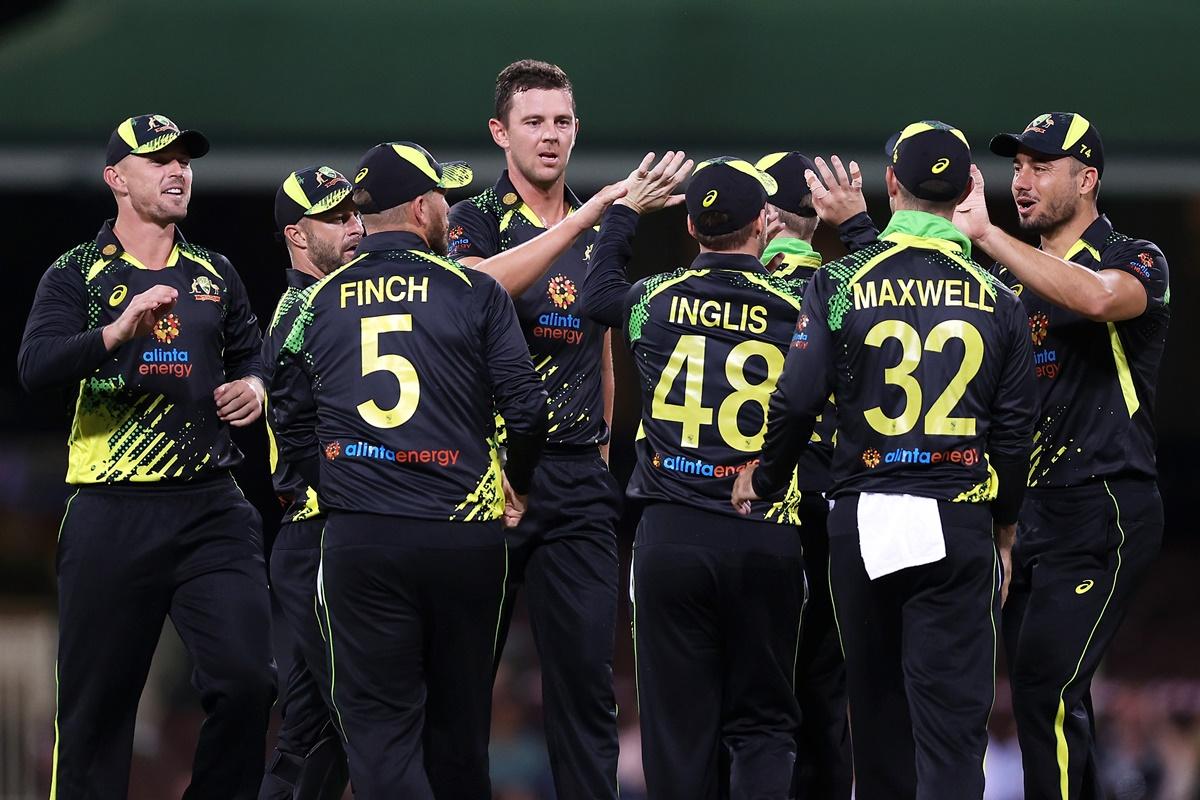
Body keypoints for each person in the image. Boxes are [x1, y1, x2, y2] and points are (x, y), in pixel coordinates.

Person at [733, 121, 1036, 800]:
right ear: (966, 191)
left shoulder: (839, 282)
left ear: (891, 184)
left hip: (865, 515)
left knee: (876, 718)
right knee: (955, 731)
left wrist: (769, 475)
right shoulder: (1001, 299)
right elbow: (1015, 437)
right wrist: (1006, 529)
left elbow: (799, 396)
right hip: (961, 516)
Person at [273, 141, 549, 799]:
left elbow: (288, 414)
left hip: (362, 537)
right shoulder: (474, 290)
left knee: (379, 741)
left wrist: (333, 487)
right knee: (459, 737)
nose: (451, 211)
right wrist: (518, 479)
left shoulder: (315, 300)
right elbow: (528, 407)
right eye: (444, 199)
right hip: (463, 535)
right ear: (424, 207)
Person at [17, 113, 275, 799]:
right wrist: (115, 331)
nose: (177, 170)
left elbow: (255, 353)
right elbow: (36, 365)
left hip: (210, 508)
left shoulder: (214, 272)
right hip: (110, 509)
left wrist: (254, 386)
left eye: (184, 159)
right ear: (115, 179)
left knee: (250, 681)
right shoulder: (76, 272)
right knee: (94, 719)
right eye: (159, 159)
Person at [583, 151, 816, 800]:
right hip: (764, 528)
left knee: (676, 731)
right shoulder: (797, 303)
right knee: (765, 726)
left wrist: (625, 210)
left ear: (690, 227)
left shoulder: (650, 301)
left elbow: (598, 293)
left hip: (669, 533)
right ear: (764, 222)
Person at [954, 112, 1169, 800]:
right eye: (1016, 167)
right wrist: (1003, 527)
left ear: (1088, 180)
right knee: (1043, 700)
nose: (1021, 181)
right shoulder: (1013, 288)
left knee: (1049, 687)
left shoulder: (1135, 257)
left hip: (1103, 503)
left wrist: (985, 236)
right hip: (1034, 516)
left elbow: (1101, 299)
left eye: (1041, 167)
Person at [447, 58, 629, 799]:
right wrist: (590, 219)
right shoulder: (475, 220)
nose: (550, 137)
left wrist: (604, 453)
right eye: (534, 122)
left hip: (578, 480)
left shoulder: (595, 227)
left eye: (561, 122)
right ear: (500, 132)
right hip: (489, 478)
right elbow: (477, 290)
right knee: (464, 688)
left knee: (587, 685)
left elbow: (604, 347)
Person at [755, 150, 859, 800]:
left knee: (753, 700)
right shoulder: (853, 283)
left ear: (763, 216)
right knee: (827, 696)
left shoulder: (728, 286)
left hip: (755, 509)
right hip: (837, 507)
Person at [259, 165, 362, 800]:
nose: (353, 228)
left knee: (312, 729)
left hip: (314, 535)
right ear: (298, 235)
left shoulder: (330, 303)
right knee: (349, 720)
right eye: (335, 218)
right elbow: (294, 426)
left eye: (355, 215)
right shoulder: (306, 306)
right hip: (319, 530)